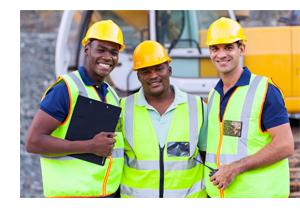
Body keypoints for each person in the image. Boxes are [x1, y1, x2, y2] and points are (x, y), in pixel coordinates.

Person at [25, 20, 125, 198]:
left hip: (106, 194)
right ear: (87, 50)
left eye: (114, 52)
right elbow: (33, 142)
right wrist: (89, 146)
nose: (108, 57)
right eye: (101, 50)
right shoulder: (65, 89)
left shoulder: (111, 94)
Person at [204, 17, 294, 198]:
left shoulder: (264, 90)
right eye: (215, 48)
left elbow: (285, 145)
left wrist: (235, 168)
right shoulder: (214, 94)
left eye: (228, 47)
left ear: (241, 49)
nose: (221, 55)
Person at [119, 40, 208, 198]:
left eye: (159, 69)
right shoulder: (123, 109)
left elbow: (208, 156)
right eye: (146, 71)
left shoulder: (197, 107)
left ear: (169, 70)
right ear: (138, 76)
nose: (153, 76)